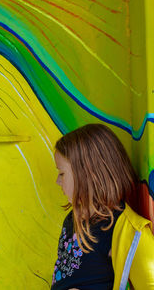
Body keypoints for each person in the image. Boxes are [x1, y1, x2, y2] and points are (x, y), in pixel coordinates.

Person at [51, 123, 154, 290]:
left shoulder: (128, 231)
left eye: (62, 173)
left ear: (88, 173)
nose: (57, 181)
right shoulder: (72, 219)